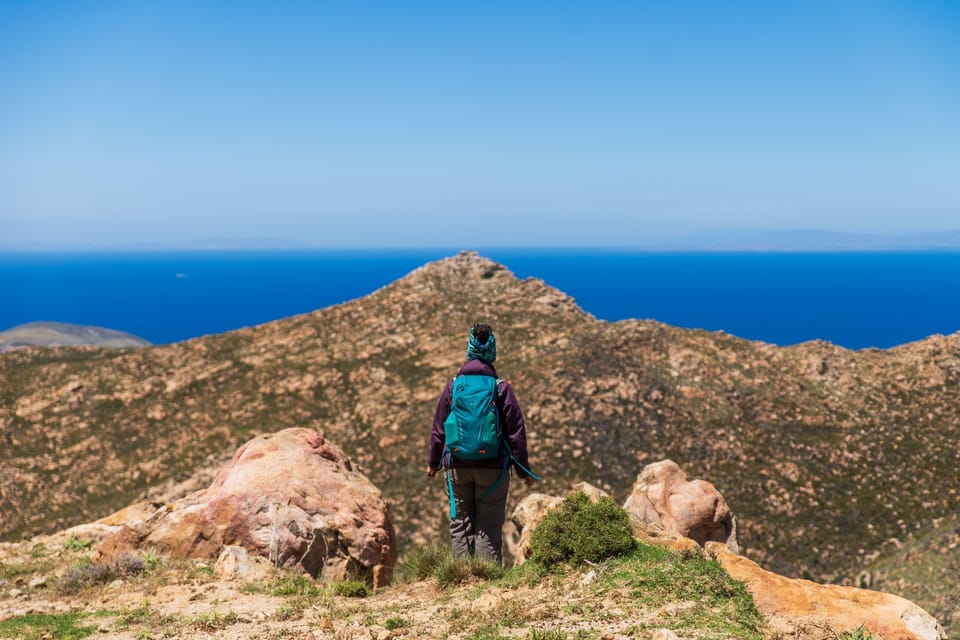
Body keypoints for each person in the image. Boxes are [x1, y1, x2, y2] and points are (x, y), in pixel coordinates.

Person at [426, 322, 535, 562]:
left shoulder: (453, 386)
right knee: (489, 523)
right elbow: (516, 433)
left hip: (456, 465)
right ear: (491, 352)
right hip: (493, 468)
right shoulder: (500, 387)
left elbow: (439, 428)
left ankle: (463, 579)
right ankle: (485, 580)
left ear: (469, 350)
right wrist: (522, 469)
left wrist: (433, 463)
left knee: (461, 522)